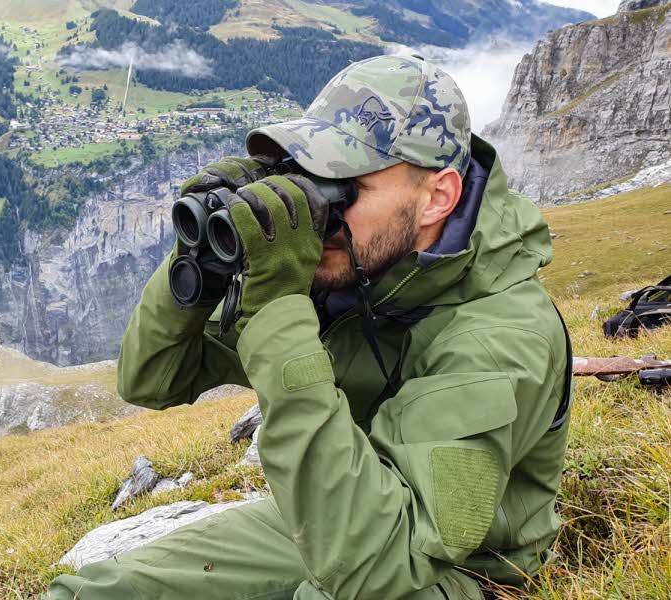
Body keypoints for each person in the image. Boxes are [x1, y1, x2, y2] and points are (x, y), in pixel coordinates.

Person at [46, 54, 571, 600]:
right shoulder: (354, 274)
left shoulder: (500, 334)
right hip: (339, 506)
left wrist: (276, 310)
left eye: (345, 188)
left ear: (438, 196)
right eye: (307, 175)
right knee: (108, 591)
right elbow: (153, 378)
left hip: (456, 564)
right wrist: (201, 259)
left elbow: (380, 561)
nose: (320, 214)